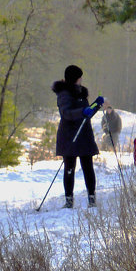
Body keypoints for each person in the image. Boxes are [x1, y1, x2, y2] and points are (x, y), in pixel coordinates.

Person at [52, 64, 103, 208]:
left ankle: (92, 199)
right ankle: (69, 200)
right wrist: (83, 112)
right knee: (69, 168)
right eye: (80, 77)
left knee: (88, 167)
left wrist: (96, 106)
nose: (81, 79)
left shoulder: (81, 92)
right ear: (75, 78)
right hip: (70, 136)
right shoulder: (64, 94)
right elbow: (66, 113)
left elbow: (87, 114)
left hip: (84, 135)